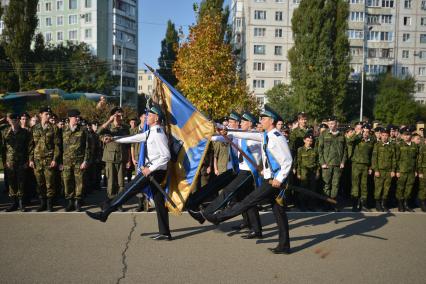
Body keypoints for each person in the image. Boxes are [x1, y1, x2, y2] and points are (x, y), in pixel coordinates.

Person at [203, 107, 293, 254]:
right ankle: (285, 245)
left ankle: (218, 218)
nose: (260, 121)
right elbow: (247, 136)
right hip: (268, 178)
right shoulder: (266, 135)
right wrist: (227, 132)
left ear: (271, 121)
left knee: (248, 201)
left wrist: (280, 178)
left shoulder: (277, 136)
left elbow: (287, 160)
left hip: (273, 182)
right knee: (278, 212)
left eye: (263, 119)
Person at [86, 104, 172, 240]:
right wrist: (114, 139)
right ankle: (165, 232)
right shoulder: (151, 132)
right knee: (159, 201)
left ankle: (105, 213)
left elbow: (166, 156)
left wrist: (150, 168)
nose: (147, 117)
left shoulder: (158, 134)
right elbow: (134, 138)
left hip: (153, 172)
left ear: (156, 119)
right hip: (153, 171)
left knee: (128, 190)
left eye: (150, 115)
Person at [190, 112, 263, 238]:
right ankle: (254, 227)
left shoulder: (255, 135)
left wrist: (226, 130)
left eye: (243, 122)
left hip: (249, 172)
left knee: (228, 191)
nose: (240, 123)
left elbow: (236, 133)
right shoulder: (240, 133)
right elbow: (220, 136)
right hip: (240, 170)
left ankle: (206, 214)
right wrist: (209, 131)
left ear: (250, 123)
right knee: (246, 199)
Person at [97, 107, 131, 210]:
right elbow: (98, 132)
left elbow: (128, 145)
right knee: (111, 182)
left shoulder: (125, 128)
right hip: (110, 158)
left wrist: (129, 159)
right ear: (113, 116)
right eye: (118, 115)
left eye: (121, 115)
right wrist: (109, 121)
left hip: (121, 158)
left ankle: (118, 203)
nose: (120, 117)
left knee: (121, 183)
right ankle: (110, 202)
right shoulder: (108, 127)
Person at [30, 107, 61, 212]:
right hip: (37, 160)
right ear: (40, 114)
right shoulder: (34, 128)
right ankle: (42, 203)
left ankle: (49, 204)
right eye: (46, 114)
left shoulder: (54, 128)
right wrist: (30, 159)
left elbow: (57, 145)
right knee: (40, 183)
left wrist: (55, 159)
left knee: (50, 183)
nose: (48, 116)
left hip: (49, 159)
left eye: (49, 114)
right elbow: (31, 145)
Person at [60, 109, 90, 212]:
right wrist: (60, 162)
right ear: (70, 118)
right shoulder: (63, 130)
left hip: (79, 161)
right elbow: (59, 147)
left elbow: (87, 147)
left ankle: (78, 202)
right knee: (67, 181)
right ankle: (70, 202)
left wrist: (85, 161)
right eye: (75, 117)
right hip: (66, 161)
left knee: (79, 182)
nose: (78, 118)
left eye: (78, 117)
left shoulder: (83, 130)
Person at [1, 113, 32, 212]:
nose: (14, 122)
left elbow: (30, 148)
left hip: (22, 161)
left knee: (21, 182)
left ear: (18, 121)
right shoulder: (5, 132)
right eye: (12, 120)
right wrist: (4, 161)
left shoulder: (25, 133)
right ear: (10, 121)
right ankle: (13, 203)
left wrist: (28, 160)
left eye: (16, 120)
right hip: (10, 162)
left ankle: (21, 203)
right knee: (11, 182)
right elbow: (3, 148)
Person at [317, 116, 347, 209]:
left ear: (336, 124)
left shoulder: (342, 135)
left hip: (338, 165)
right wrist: (322, 162)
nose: (331, 125)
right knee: (326, 184)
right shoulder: (323, 134)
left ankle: (333, 203)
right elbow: (320, 149)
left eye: (333, 123)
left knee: (336, 184)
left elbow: (345, 150)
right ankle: (326, 203)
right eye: (329, 124)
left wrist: (343, 162)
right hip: (327, 165)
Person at [347, 124, 374, 212]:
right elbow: (349, 141)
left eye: (367, 132)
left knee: (364, 185)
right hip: (356, 165)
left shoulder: (371, 141)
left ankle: (363, 205)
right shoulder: (357, 139)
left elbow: (372, 156)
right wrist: (358, 134)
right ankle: (354, 205)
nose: (365, 133)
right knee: (355, 185)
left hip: (366, 166)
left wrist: (370, 167)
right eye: (364, 131)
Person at [371, 128, 396, 212]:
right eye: (383, 135)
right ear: (380, 136)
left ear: (388, 136)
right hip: (380, 171)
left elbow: (394, 159)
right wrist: (376, 170)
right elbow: (374, 159)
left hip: (388, 171)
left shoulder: (391, 146)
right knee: (378, 188)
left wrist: (393, 170)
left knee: (386, 188)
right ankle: (377, 204)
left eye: (386, 135)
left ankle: (383, 204)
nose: (385, 137)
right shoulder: (377, 145)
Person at [395, 127, 418, 212]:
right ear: (402, 136)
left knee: (409, 187)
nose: (407, 137)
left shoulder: (414, 146)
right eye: (405, 135)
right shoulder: (399, 145)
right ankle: (400, 204)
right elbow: (396, 159)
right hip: (402, 170)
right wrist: (397, 170)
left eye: (408, 135)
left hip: (411, 171)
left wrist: (416, 170)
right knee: (400, 188)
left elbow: (416, 159)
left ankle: (406, 204)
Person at [294, 133, 319, 211]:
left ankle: (311, 205)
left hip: (313, 172)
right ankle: (302, 205)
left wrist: (318, 173)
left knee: (312, 189)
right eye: (307, 140)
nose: (309, 142)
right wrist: (298, 173)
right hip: (303, 172)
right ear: (304, 140)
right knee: (303, 189)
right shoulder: (300, 149)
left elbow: (318, 162)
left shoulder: (315, 149)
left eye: (311, 141)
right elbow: (298, 162)